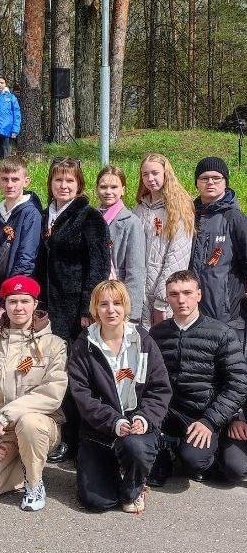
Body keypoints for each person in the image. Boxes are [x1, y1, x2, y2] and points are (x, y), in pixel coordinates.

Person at [0, 275, 67, 511]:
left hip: (38, 427)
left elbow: (52, 393)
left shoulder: (54, 345)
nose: (19, 307)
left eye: (25, 301)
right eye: (12, 301)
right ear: (4, 306)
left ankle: (34, 482)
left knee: (29, 422)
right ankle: (22, 466)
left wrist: (7, 414)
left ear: (35, 304)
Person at [69, 280, 171, 514]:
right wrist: (113, 421)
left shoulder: (144, 341)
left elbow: (160, 389)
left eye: (117, 303)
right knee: (97, 502)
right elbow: (82, 395)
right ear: (95, 309)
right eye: (103, 304)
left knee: (135, 449)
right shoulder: (84, 344)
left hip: (138, 429)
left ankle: (137, 482)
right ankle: (112, 466)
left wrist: (144, 418)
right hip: (99, 430)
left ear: (126, 307)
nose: (110, 309)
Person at [34, 157, 110, 463]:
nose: (63, 186)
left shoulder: (90, 218)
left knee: (75, 374)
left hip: (75, 311)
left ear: (78, 185)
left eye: (69, 181)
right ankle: (54, 433)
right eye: (58, 180)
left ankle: (77, 439)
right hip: (48, 308)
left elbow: (98, 267)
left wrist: (87, 308)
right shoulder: (44, 216)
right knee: (49, 374)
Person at [148, 270, 247, 485]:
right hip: (168, 413)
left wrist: (211, 421)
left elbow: (238, 383)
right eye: (173, 294)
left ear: (199, 295)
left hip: (204, 414)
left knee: (198, 462)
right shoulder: (157, 334)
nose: (181, 300)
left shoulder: (221, 333)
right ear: (167, 297)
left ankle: (214, 448)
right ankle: (167, 450)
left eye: (187, 292)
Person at [189, 157, 247, 349]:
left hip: (227, 313)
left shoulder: (234, 217)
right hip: (191, 308)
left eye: (216, 178)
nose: (210, 182)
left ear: (225, 182)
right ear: (197, 182)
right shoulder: (189, 215)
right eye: (204, 178)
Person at [132, 153, 194, 329]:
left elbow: (178, 256)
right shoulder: (139, 209)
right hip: (140, 292)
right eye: (145, 174)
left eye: (155, 173)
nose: (150, 179)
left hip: (164, 295)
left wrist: (163, 297)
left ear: (166, 174)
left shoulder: (179, 208)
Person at [0, 156, 43, 324]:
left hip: (15, 295)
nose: (9, 184)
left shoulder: (30, 214)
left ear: (26, 181)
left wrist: (7, 299)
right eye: (5, 179)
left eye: (15, 179)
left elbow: (26, 260)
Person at [95, 166, 146, 322]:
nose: (108, 191)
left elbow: (136, 270)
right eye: (103, 187)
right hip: (97, 295)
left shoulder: (131, 222)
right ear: (96, 189)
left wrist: (132, 313)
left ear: (123, 190)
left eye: (114, 187)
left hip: (119, 295)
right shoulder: (92, 218)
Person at [0, 76, 21, 160]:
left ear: (5, 84)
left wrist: (15, 130)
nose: (0, 85)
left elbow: (17, 114)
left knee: (6, 154)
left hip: (7, 129)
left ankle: (6, 170)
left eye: (2, 83)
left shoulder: (11, 97)